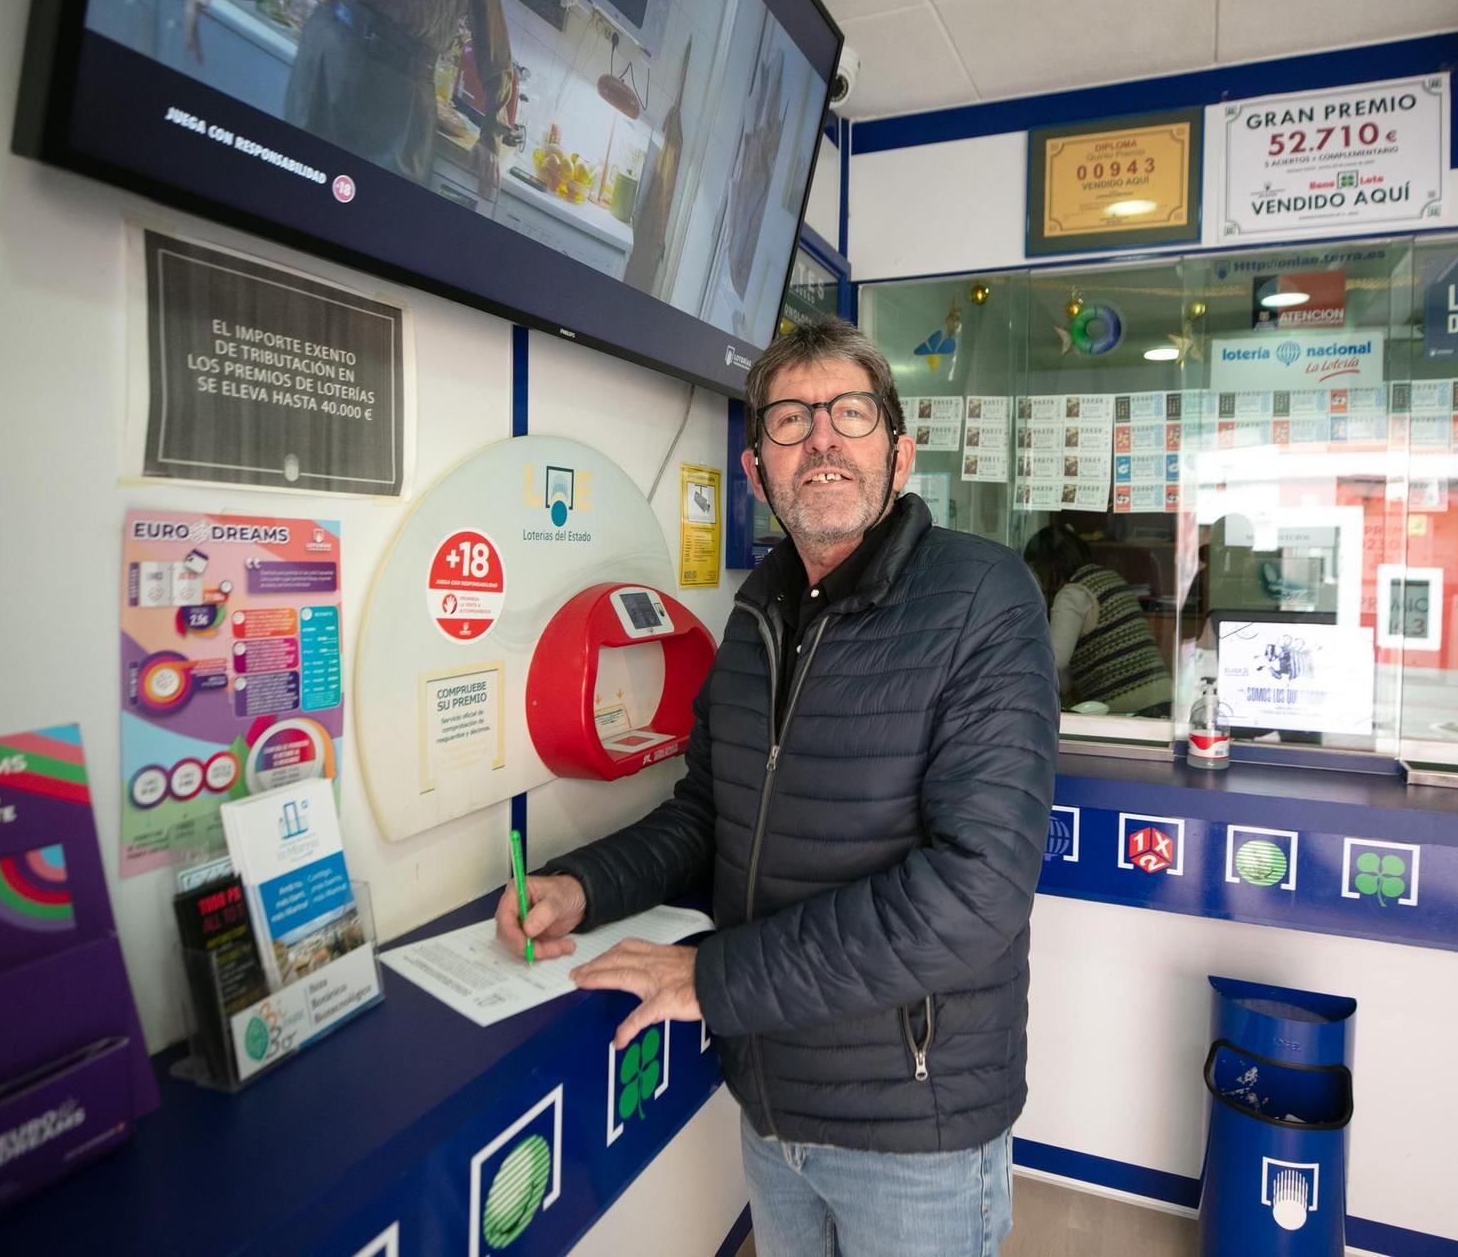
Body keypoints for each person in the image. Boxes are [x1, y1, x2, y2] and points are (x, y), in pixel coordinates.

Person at [495, 316, 1057, 1255]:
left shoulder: (983, 599)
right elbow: (709, 815)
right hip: (768, 1095)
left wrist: (709, 977)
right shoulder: (757, 612)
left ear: (899, 452)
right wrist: (583, 882)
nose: (823, 437)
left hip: (914, 1126)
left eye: (850, 411)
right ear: (758, 471)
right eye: (790, 420)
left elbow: (976, 889)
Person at [183, 0, 510, 197]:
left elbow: (486, 5)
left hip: (404, 96)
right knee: (288, 201)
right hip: (336, 53)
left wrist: (492, 131)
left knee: (372, 240)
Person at [1022, 525, 1170, 716]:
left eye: (1036, 568)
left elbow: (1056, 659)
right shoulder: (1110, 578)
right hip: (1162, 694)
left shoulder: (1072, 594)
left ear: (1051, 567)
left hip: (1125, 704)